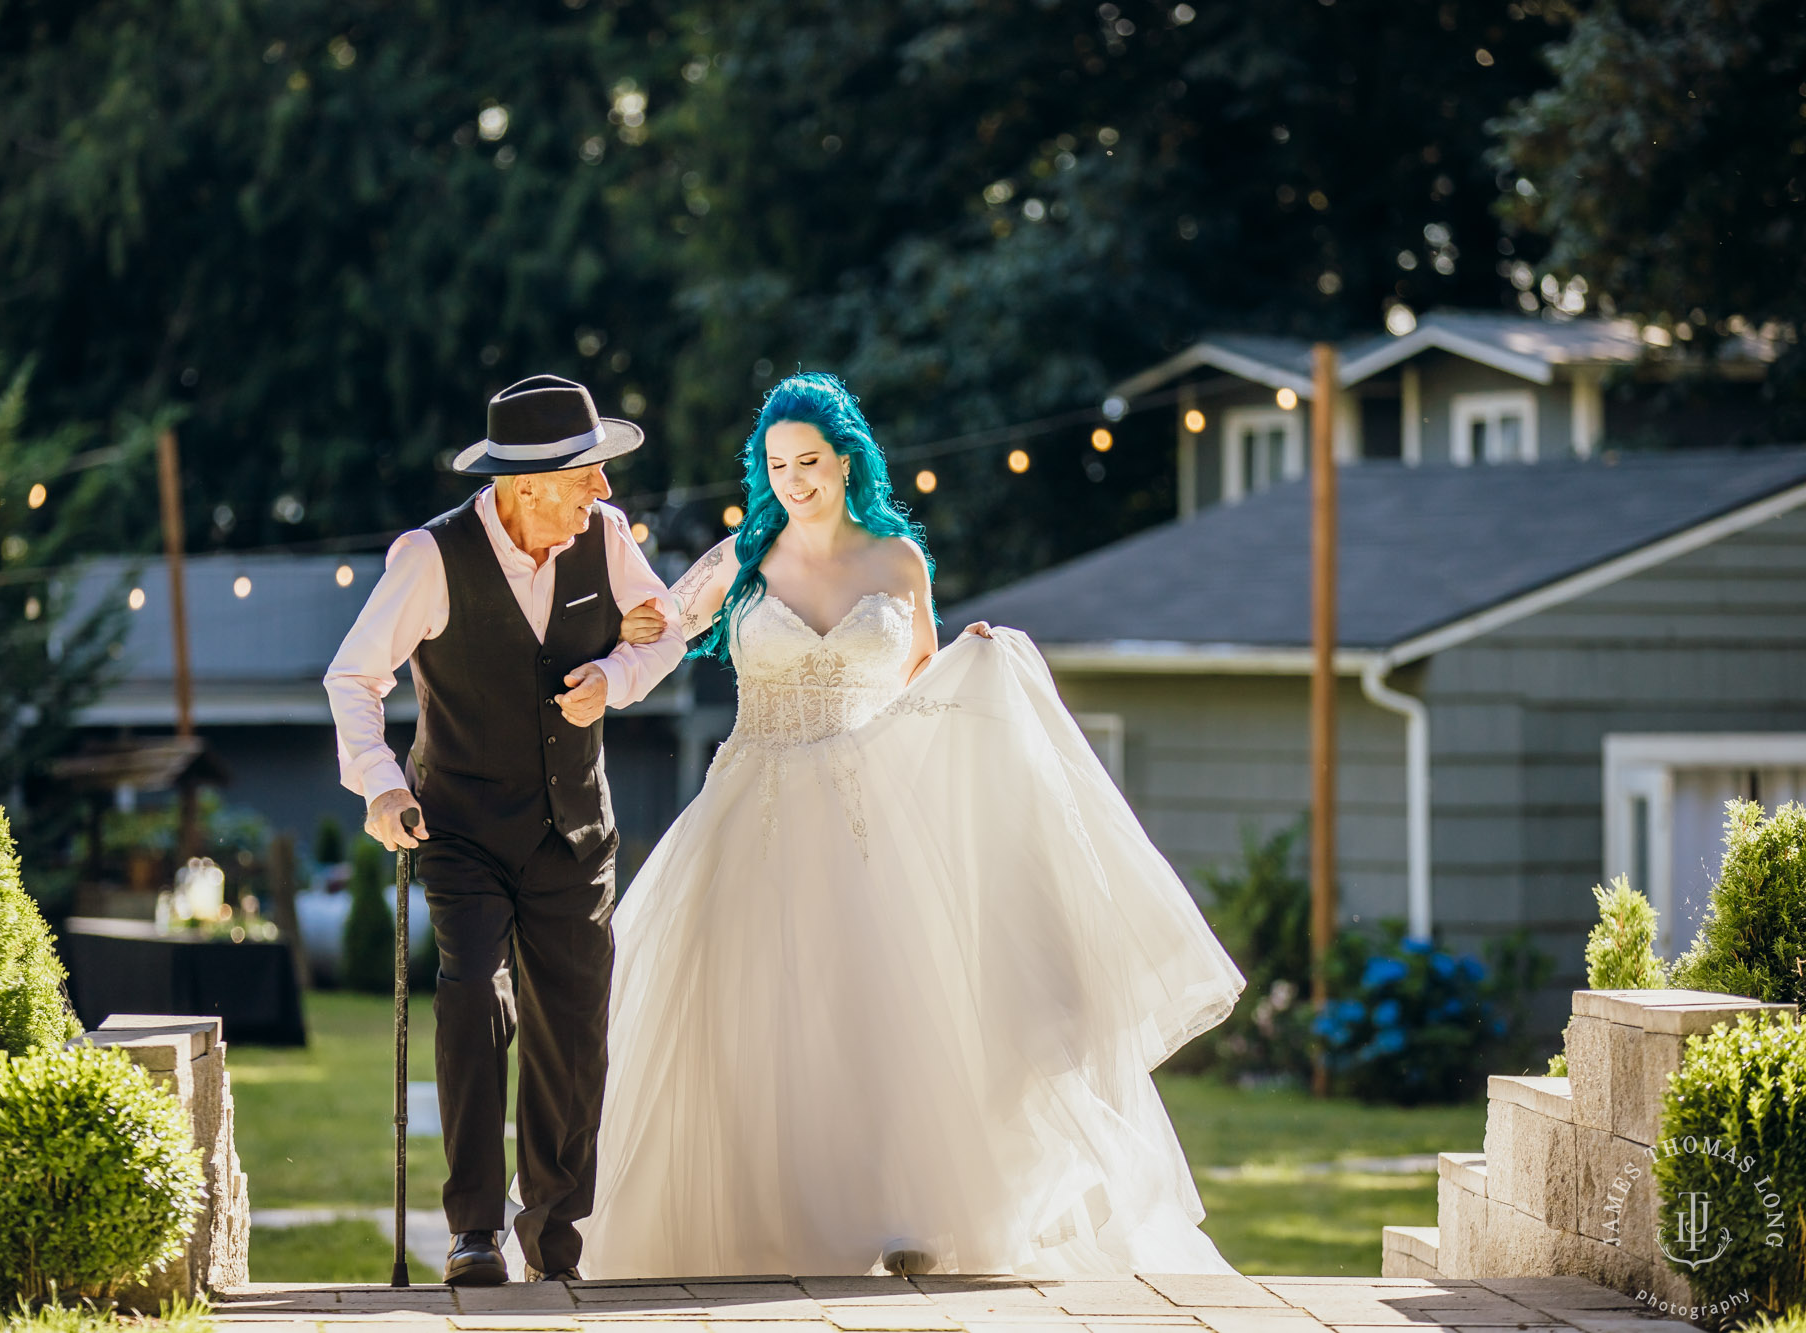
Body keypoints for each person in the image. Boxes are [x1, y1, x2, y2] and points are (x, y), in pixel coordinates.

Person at [581, 373, 1245, 1279]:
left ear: (846, 458)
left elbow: (921, 687)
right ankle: (768, 1221)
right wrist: (610, 657)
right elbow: (657, 629)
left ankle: (900, 1212)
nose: (793, 480)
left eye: (808, 461)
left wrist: (975, 663)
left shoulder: (898, 561)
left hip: (866, 823)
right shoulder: (741, 560)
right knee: (756, 1023)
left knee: (883, 1016)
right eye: (776, 464)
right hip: (754, 813)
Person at [324, 375, 685, 1285]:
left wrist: (619, 673)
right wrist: (378, 787)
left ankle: (554, 1237)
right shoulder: (430, 555)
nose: (605, 492)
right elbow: (353, 677)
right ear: (529, 486)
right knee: (474, 1001)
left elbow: (667, 630)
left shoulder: (603, 539)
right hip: (462, 828)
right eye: (588, 476)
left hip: (575, 829)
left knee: (573, 1033)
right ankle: (474, 1230)